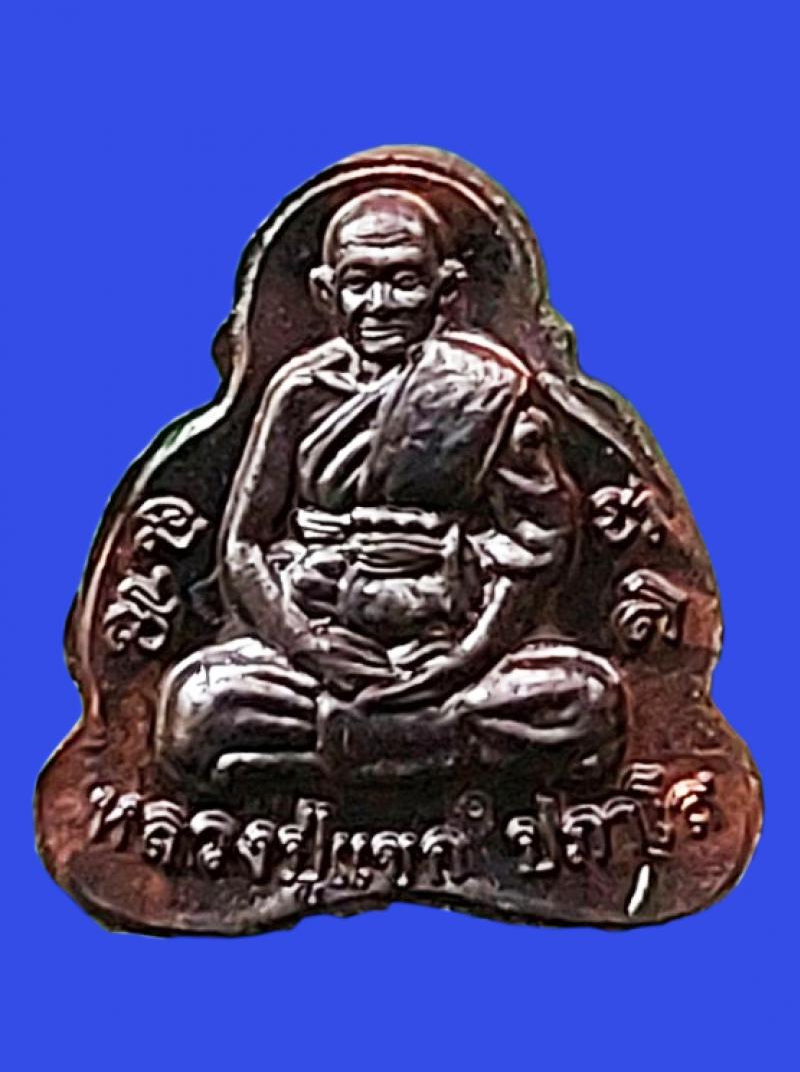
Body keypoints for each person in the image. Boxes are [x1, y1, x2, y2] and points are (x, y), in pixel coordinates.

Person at [155, 189, 624, 790]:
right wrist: (307, 645)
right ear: (326, 293)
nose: (380, 305)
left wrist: (467, 658)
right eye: (360, 283)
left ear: (446, 290)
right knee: (194, 711)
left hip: (448, 643)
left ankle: (338, 751)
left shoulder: (487, 391)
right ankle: (435, 746)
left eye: (404, 281)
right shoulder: (301, 392)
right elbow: (243, 543)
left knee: (589, 702)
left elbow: (537, 543)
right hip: (325, 644)